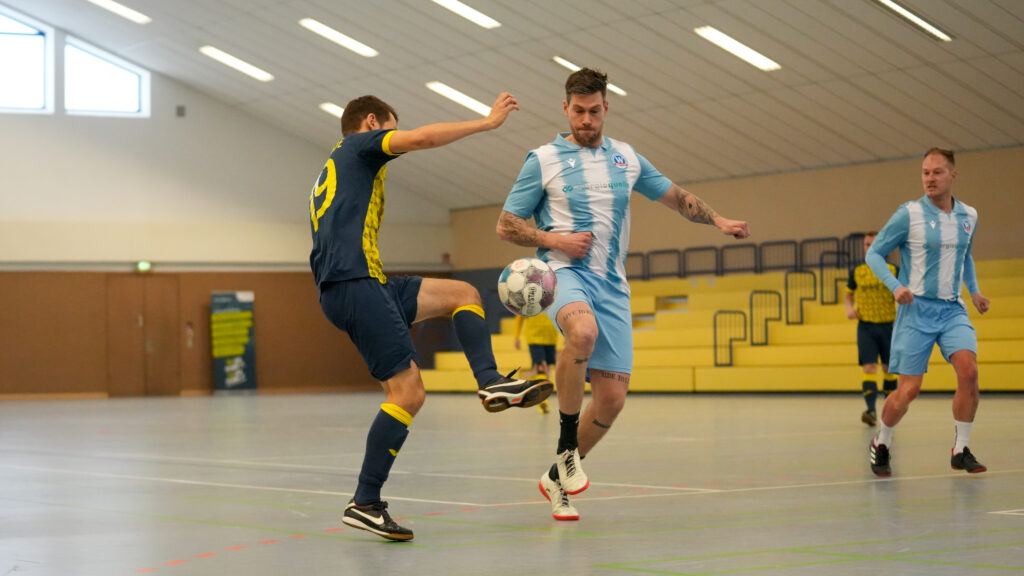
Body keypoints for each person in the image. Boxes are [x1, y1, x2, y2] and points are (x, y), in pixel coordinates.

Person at [496, 68, 750, 521]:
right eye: (578, 111)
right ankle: (566, 447)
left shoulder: (626, 158)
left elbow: (677, 197)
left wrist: (718, 221)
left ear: (606, 108)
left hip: (612, 285)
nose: (586, 120)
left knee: (612, 399)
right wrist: (556, 240)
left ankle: (556, 480)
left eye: (594, 111)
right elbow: (506, 225)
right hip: (563, 273)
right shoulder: (543, 159)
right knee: (582, 333)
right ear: (565, 108)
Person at [309, 93, 554, 541]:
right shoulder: (360, 146)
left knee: (464, 293)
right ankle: (365, 502)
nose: (395, 139)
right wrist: (486, 123)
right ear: (371, 122)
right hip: (355, 284)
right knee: (408, 393)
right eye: (390, 128)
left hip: (366, 282)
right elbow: (421, 138)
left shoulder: (341, 163)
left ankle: (490, 381)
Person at [865, 147, 990, 477]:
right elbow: (874, 254)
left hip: (952, 310)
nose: (930, 178)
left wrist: (974, 291)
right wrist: (896, 286)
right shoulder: (908, 214)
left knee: (969, 372)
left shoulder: (969, 215)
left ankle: (960, 449)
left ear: (953, 175)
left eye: (937, 172)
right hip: (915, 309)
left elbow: (965, 255)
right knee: (909, 390)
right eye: (925, 172)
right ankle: (882, 441)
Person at [844, 232, 899, 426]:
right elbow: (848, 294)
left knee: (889, 369)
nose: (870, 248)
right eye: (867, 244)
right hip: (866, 326)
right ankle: (871, 410)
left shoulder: (894, 270)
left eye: (874, 244)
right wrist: (849, 308)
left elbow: (904, 292)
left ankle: (889, 412)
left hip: (888, 326)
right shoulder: (857, 271)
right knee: (869, 367)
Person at [512, 313, 560, 413]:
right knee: (540, 368)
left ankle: (540, 394)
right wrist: (516, 336)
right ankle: (542, 400)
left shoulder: (553, 302)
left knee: (546, 370)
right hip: (534, 336)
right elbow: (519, 317)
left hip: (551, 337)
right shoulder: (527, 302)